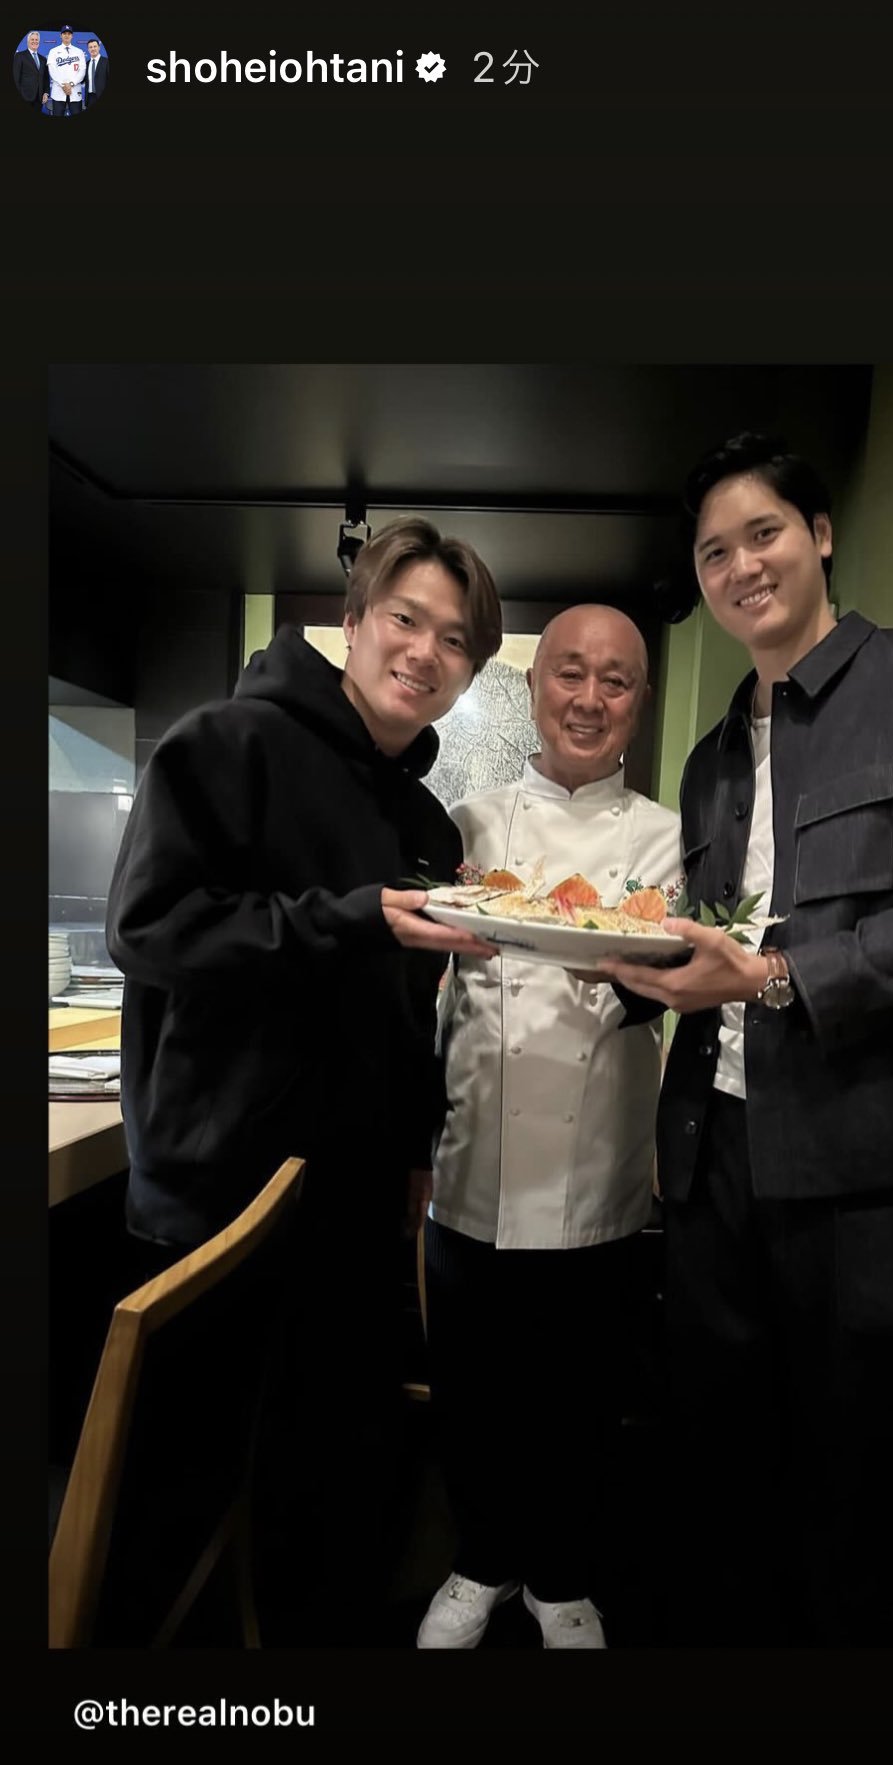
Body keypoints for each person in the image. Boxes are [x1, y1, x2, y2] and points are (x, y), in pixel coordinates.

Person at [597, 432, 893, 1646]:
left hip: (870, 1165)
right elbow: (713, 946)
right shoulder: (708, 760)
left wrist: (779, 975)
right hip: (711, 1162)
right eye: (714, 552)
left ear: (821, 534)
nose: (741, 566)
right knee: (719, 1470)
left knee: (864, 1487)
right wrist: (612, 962)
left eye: (764, 533)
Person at [106, 518, 502, 1641]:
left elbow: (406, 1009)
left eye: (455, 641)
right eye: (406, 619)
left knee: (329, 1479)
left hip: (355, 1198)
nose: (424, 652)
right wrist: (349, 918)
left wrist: (418, 1149)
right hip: (221, 1189)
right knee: (186, 1485)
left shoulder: (422, 820)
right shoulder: (224, 741)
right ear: (354, 620)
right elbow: (148, 930)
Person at [417, 605, 683, 1650]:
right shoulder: (466, 825)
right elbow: (427, 988)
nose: (588, 698)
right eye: (569, 673)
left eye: (615, 681)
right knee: (471, 1388)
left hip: (596, 1165)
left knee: (581, 1395)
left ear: (639, 702)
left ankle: (562, 1577)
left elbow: (676, 989)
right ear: (533, 686)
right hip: (472, 1157)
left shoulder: (667, 836)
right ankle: (478, 1562)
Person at [46, 25, 85, 116]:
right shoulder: (53, 51)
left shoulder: (79, 52)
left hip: (75, 92)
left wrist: (71, 84)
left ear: (72, 36)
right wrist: (63, 85)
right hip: (58, 92)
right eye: (64, 33)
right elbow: (52, 70)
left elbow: (82, 71)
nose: (67, 35)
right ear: (61, 35)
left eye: (69, 34)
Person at [13, 31, 48, 107]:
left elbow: (46, 78)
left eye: (36, 40)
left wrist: (45, 93)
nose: (34, 41)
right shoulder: (19, 56)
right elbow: (16, 78)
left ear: (39, 42)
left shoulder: (43, 59)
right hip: (24, 97)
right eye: (32, 39)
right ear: (28, 41)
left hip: (39, 98)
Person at [83, 38, 108, 108]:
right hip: (90, 98)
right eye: (90, 47)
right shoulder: (86, 64)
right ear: (88, 49)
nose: (93, 49)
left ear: (99, 47)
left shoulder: (106, 62)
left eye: (95, 46)